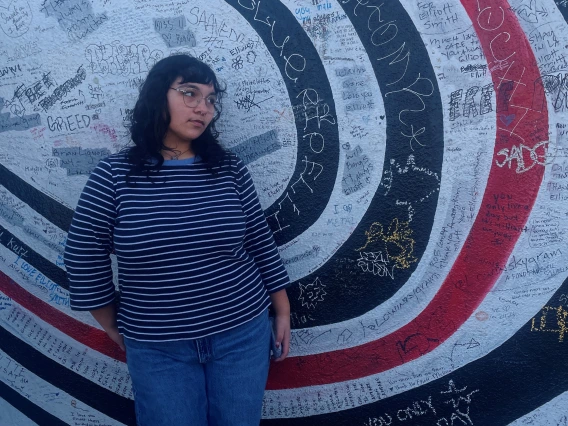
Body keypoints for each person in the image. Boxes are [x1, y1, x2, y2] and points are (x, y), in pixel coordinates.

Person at [64, 54, 291, 426]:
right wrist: (110, 324)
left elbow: (260, 242)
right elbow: (83, 254)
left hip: (242, 333)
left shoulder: (229, 169)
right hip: (158, 348)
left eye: (211, 99)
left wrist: (281, 310)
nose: (203, 108)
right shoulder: (115, 176)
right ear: (158, 96)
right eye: (190, 93)